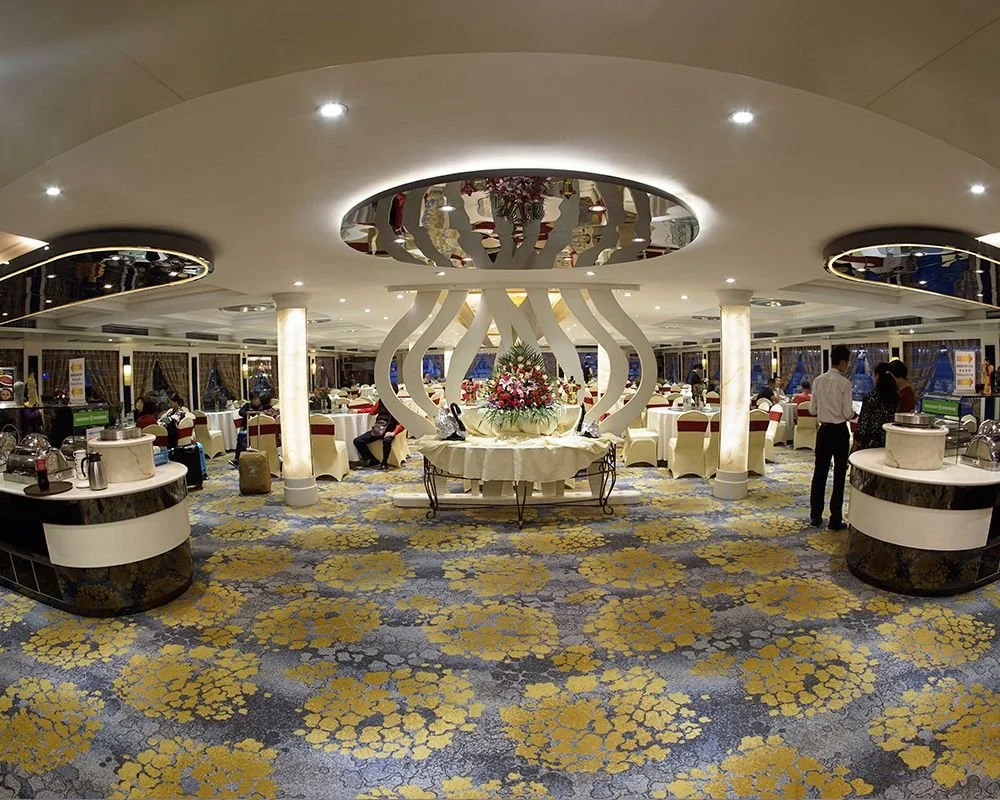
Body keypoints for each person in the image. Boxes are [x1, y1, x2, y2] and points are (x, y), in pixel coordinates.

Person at [809, 345, 855, 531]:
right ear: (843, 362)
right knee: (839, 476)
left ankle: (815, 516)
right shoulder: (844, 383)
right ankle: (835, 519)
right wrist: (852, 414)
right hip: (840, 432)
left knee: (819, 473)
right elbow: (846, 412)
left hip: (824, 432)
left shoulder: (818, 381)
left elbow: (812, 410)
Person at [853, 363, 899, 451]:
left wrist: (855, 445)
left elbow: (862, 425)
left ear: (877, 376)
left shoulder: (871, 397)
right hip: (889, 443)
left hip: (870, 444)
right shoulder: (896, 398)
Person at [354, 399, 404, 470]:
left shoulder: (398, 403)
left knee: (387, 441)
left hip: (391, 429)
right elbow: (373, 411)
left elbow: (403, 422)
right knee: (358, 441)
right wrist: (358, 411)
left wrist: (394, 432)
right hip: (379, 428)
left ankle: (384, 463)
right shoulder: (381, 401)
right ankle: (372, 460)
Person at [230, 392, 261, 467]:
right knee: (241, 436)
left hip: (259, 429)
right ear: (251, 400)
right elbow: (241, 412)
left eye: (257, 399)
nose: (257, 401)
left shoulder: (261, 407)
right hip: (248, 428)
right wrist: (248, 413)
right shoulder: (248, 406)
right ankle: (237, 459)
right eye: (255, 399)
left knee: (243, 437)